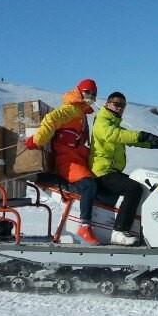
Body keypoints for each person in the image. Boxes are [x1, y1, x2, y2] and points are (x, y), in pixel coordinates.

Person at [90, 91, 158, 246]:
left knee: (144, 186)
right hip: (102, 173)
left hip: (112, 172)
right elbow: (117, 135)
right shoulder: (102, 122)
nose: (120, 108)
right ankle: (119, 232)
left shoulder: (114, 124)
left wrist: (157, 143)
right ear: (107, 104)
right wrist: (144, 135)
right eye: (116, 104)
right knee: (133, 189)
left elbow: (132, 140)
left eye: (123, 105)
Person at [25, 79, 100, 244]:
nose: (91, 96)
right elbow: (51, 120)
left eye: (94, 94)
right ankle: (85, 227)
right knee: (88, 185)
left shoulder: (80, 113)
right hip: (67, 159)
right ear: (79, 91)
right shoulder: (70, 109)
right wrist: (37, 141)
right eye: (88, 92)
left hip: (77, 158)